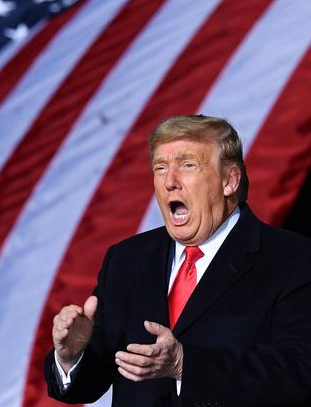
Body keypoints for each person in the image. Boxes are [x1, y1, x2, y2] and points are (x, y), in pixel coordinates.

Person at [45, 115, 311, 406]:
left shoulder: (292, 258)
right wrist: (72, 358)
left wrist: (186, 366)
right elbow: (88, 384)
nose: (170, 182)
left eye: (188, 165)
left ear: (229, 180)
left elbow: (299, 372)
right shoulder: (126, 261)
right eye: (160, 168)